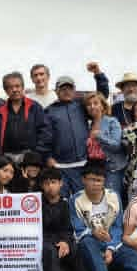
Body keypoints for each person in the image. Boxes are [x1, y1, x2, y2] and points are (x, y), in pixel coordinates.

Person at [44, 63, 110, 195]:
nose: (66, 91)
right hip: (60, 166)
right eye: (63, 89)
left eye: (69, 88)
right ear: (56, 91)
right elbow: (44, 137)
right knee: (62, 200)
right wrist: (47, 157)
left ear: (74, 90)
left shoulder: (82, 105)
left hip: (83, 164)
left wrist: (98, 74)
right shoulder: (49, 111)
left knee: (82, 201)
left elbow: (102, 94)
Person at [0, 71, 50, 162]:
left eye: (17, 86)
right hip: (7, 158)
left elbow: (45, 132)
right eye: (10, 87)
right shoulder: (0, 110)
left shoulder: (34, 107)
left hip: (30, 156)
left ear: (22, 87)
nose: (14, 89)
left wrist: (38, 153)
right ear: (6, 90)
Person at [40, 166, 81, 271]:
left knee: (76, 250)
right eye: (46, 183)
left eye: (53, 182)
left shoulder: (66, 204)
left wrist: (64, 241)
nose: (50, 186)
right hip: (44, 240)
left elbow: (68, 229)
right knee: (49, 250)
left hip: (61, 239)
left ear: (60, 183)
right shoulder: (36, 203)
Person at [85, 91, 126, 199]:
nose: (92, 106)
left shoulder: (112, 121)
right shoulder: (88, 125)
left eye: (95, 103)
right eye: (89, 104)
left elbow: (117, 145)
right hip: (96, 170)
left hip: (112, 169)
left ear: (103, 106)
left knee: (113, 199)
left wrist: (99, 135)